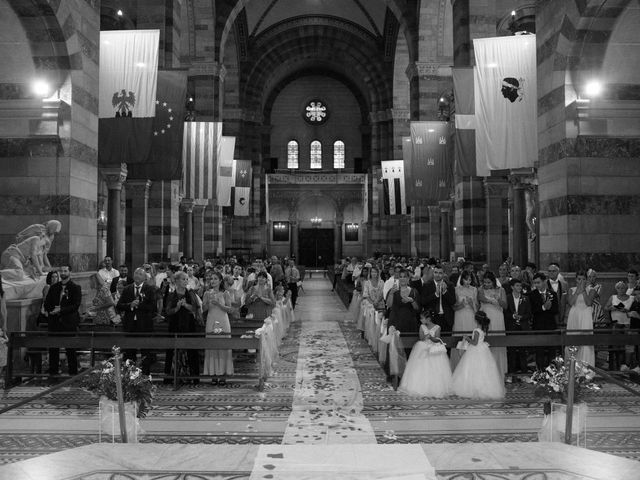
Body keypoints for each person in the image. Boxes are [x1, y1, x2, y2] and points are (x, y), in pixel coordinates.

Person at [451, 311, 506, 400]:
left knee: (473, 369)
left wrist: (467, 338)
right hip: (482, 349)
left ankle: (473, 388)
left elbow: (475, 343)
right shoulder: (482, 329)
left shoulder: (476, 330)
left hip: (475, 350)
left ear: (476, 320)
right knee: (483, 369)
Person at [398, 309, 452, 397]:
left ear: (428, 319)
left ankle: (435, 387)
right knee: (421, 366)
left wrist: (431, 338)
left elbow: (437, 339)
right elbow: (421, 338)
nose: (421, 320)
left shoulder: (437, 327)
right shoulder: (422, 327)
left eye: (422, 318)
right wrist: (425, 337)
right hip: (423, 347)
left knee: (436, 367)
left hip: (434, 348)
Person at [116, 268, 156, 375]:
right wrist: (130, 305)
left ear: (144, 277)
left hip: (144, 325)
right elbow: (119, 305)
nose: (137, 275)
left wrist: (139, 305)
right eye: (136, 273)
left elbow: (153, 307)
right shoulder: (127, 289)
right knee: (129, 353)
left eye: (140, 274)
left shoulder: (149, 289)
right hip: (130, 325)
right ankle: (129, 376)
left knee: (145, 353)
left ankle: (145, 377)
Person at [164, 271, 202, 385]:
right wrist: (177, 307)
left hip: (189, 324)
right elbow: (167, 311)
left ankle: (191, 376)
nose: (186, 281)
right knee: (173, 350)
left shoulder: (190, 293)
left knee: (190, 349)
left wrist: (185, 305)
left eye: (186, 279)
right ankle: (172, 376)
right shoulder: (171, 294)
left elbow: (196, 309)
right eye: (183, 279)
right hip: (175, 324)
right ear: (176, 281)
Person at [44, 265, 82, 377]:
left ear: (70, 272)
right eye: (62, 270)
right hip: (54, 323)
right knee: (53, 351)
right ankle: (53, 375)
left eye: (65, 270)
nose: (63, 272)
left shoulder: (75, 287)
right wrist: (52, 310)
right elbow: (47, 303)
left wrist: (61, 310)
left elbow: (76, 305)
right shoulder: (54, 287)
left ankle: (73, 375)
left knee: (70, 351)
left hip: (68, 323)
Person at [203, 271, 235, 384]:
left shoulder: (225, 293)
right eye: (211, 279)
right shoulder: (207, 293)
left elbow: (230, 309)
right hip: (211, 320)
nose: (213, 281)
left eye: (215, 278)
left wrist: (219, 304)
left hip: (223, 321)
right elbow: (203, 309)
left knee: (223, 346)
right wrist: (207, 303)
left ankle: (223, 375)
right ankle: (213, 374)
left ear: (220, 280)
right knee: (212, 346)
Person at [478, 271, 508, 380]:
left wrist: (498, 299)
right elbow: (482, 299)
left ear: (493, 281)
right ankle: (486, 373)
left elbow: (505, 306)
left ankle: (499, 371)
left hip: (498, 317)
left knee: (498, 343)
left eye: (489, 282)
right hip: (486, 318)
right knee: (486, 343)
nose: (487, 284)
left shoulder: (501, 290)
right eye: (485, 282)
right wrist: (491, 300)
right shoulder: (480, 289)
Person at [565, 270, 596, 366]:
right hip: (574, 315)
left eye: (583, 279)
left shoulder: (591, 290)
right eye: (579, 279)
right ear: (576, 280)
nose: (581, 281)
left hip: (585, 316)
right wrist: (577, 292)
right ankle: (572, 368)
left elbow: (588, 303)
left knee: (585, 342)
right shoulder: (571, 289)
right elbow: (570, 302)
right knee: (572, 340)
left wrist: (583, 291)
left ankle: (586, 368)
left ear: (586, 280)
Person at [530, 272, 559, 370]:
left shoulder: (552, 293)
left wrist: (549, 308)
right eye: (535, 283)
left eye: (538, 282)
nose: (536, 285)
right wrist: (543, 307)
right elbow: (532, 310)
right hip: (538, 326)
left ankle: (552, 372)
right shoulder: (532, 294)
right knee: (539, 350)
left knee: (552, 351)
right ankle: (540, 372)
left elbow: (556, 310)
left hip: (550, 326)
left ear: (544, 281)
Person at [504, 278, 532, 376]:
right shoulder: (507, 298)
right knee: (511, 351)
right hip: (511, 327)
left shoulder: (525, 298)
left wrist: (522, 317)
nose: (519, 287)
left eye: (520, 286)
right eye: (517, 285)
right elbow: (505, 313)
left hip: (523, 327)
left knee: (523, 351)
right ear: (512, 287)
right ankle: (512, 373)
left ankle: (524, 372)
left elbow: (529, 313)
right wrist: (512, 316)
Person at [604, 281, 635, 370]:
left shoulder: (632, 298)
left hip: (628, 324)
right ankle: (616, 364)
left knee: (629, 345)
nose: (621, 290)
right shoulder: (613, 297)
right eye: (619, 288)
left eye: (622, 288)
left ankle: (627, 364)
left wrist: (626, 311)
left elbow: (636, 310)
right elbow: (605, 307)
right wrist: (611, 308)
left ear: (626, 289)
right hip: (616, 324)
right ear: (616, 289)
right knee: (616, 345)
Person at [420, 264, 456, 334]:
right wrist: (435, 294)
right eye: (436, 272)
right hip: (432, 319)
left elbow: (453, 302)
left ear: (444, 274)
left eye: (440, 273)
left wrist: (445, 292)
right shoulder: (427, 285)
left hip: (446, 319)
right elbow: (423, 301)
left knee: (446, 342)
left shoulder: (450, 285)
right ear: (433, 273)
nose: (437, 275)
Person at [386, 269, 420, 334]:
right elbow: (389, 305)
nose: (402, 279)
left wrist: (411, 300)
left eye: (404, 276)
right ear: (398, 278)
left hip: (410, 323)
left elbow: (417, 308)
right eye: (400, 277)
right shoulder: (392, 290)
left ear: (408, 278)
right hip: (395, 322)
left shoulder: (414, 291)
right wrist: (391, 293)